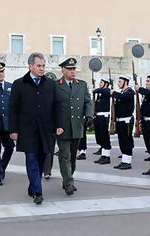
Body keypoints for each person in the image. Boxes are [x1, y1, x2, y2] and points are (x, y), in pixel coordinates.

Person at [9, 53, 60, 204]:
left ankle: (32, 186)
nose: (42, 69)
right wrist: (13, 130)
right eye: (39, 66)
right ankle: (38, 192)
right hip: (27, 130)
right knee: (31, 159)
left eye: (43, 66)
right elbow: (13, 109)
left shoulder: (50, 84)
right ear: (30, 66)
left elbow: (57, 107)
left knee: (41, 160)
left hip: (46, 131)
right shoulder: (19, 84)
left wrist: (59, 125)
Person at [55, 58, 92, 196]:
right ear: (63, 70)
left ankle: (67, 179)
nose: (72, 71)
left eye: (74, 69)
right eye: (69, 69)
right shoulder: (55, 85)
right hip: (62, 127)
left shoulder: (81, 85)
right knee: (64, 155)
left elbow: (88, 102)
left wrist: (89, 115)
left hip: (77, 126)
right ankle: (69, 183)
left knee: (72, 158)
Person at [110, 75, 135, 169]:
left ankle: (127, 162)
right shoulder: (121, 92)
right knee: (122, 142)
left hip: (126, 121)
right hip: (120, 121)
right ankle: (124, 160)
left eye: (120, 81)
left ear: (126, 82)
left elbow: (123, 97)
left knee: (126, 142)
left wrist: (114, 93)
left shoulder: (130, 92)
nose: (118, 83)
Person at [93, 78, 112, 165]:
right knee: (100, 136)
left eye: (101, 82)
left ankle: (106, 156)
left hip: (104, 117)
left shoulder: (107, 91)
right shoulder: (100, 94)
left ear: (106, 84)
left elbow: (103, 91)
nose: (100, 84)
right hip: (98, 116)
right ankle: (103, 155)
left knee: (104, 136)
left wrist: (95, 89)